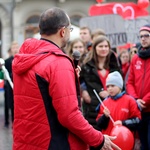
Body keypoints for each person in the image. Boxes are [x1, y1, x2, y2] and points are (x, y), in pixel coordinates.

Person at [12, 7, 121, 150]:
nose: (70, 33)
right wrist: (98, 139)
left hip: (27, 140)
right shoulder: (58, 62)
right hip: (52, 142)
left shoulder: (26, 57)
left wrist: (69, 78)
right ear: (62, 31)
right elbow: (69, 115)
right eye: (70, 29)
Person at [80, 35, 121, 131]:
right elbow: (79, 80)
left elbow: (121, 85)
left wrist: (110, 92)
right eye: (101, 46)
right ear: (95, 48)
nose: (104, 49)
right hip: (93, 107)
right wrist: (84, 91)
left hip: (112, 106)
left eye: (106, 46)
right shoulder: (87, 65)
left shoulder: (114, 65)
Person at [126, 24, 150, 150]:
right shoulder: (135, 58)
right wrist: (135, 99)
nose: (143, 39)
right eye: (141, 36)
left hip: (148, 108)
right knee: (143, 144)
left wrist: (144, 101)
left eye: (146, 36)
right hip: (139, 110)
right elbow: (129, 82)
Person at [96, 71, 141, 137]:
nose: (110, 89)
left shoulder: (130, 100)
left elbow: (137, 121)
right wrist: (105, 117)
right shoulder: (104, 102)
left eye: (113, 85)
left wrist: (123, 123)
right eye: (108, 86)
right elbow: (99, 124)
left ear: (120, 86)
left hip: (125, 139)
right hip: (108, 140)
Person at [4, 41, 19, 128]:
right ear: (11, 49)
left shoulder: (21, 59)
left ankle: (16, 122)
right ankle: (8, 121)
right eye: (14, 47)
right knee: (9, 104)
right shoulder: (7, 61)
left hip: (18, 86)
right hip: (9, 86)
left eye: (17, 47)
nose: (15, 49)